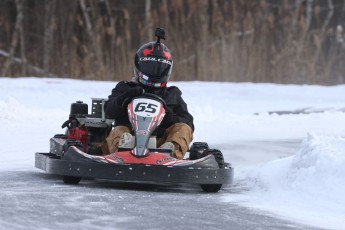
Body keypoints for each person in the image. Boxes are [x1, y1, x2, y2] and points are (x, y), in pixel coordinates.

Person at [104, 28, 194, 160]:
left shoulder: (172, 94)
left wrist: (170, 118)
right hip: (128, 140)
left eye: (159, 68)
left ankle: (169, 152)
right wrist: (125, 97)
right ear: (139, 66)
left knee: (183, 128)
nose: (154, 72)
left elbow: (188, 124)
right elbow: (109, 111)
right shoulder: (124, 88)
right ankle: (124, 150)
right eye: (149, 67)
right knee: (119, 130)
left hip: (160, 144)